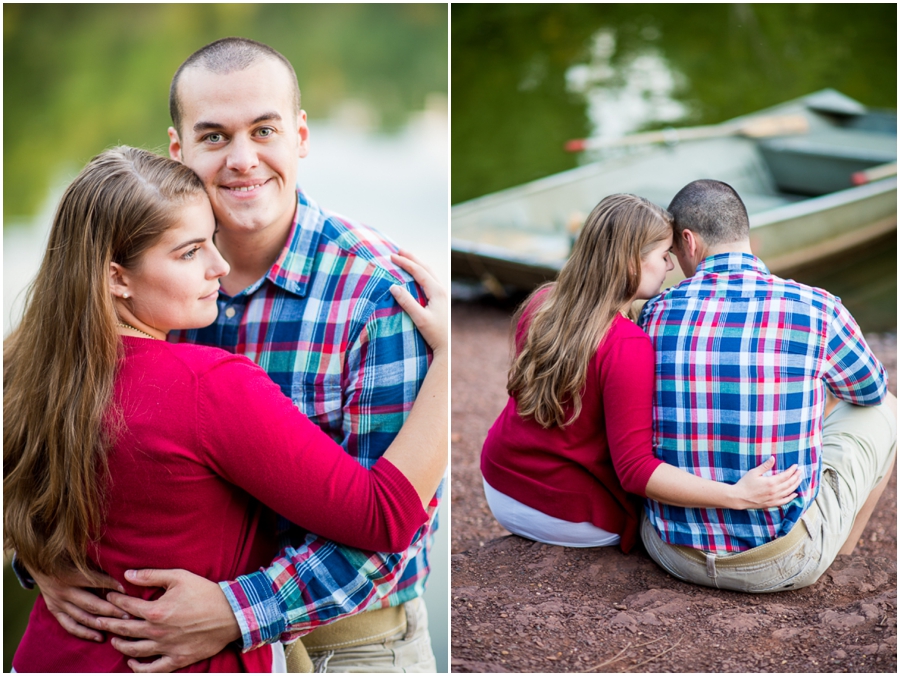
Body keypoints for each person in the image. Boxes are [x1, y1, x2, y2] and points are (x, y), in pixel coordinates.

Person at [16, 38, 443, 672]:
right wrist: (43, 559)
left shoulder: (378, 296)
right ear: (178, 147)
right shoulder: (134, 281)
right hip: (149, 643)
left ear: (300, 134)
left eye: (264, 130)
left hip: (350, 645)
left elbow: (393, 532)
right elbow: (56, 449)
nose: (243, 160)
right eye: (214, 136)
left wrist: (237, 612)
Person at [481, 193, 803, 552]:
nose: (669, 266)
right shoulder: (626, 344)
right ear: (631, 261)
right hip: (568, 514)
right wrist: (737, 495)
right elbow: (636, 469)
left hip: (499, 484)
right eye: (663, 254)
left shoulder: (544, 302)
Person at [638, 179, 896, 593]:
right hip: (780, 561)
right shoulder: (817, 307)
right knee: (888, 409)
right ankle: (837, 554)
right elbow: (869, 391)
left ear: (688, 241)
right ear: (745, 233)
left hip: (670, 551)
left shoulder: (654, 312)